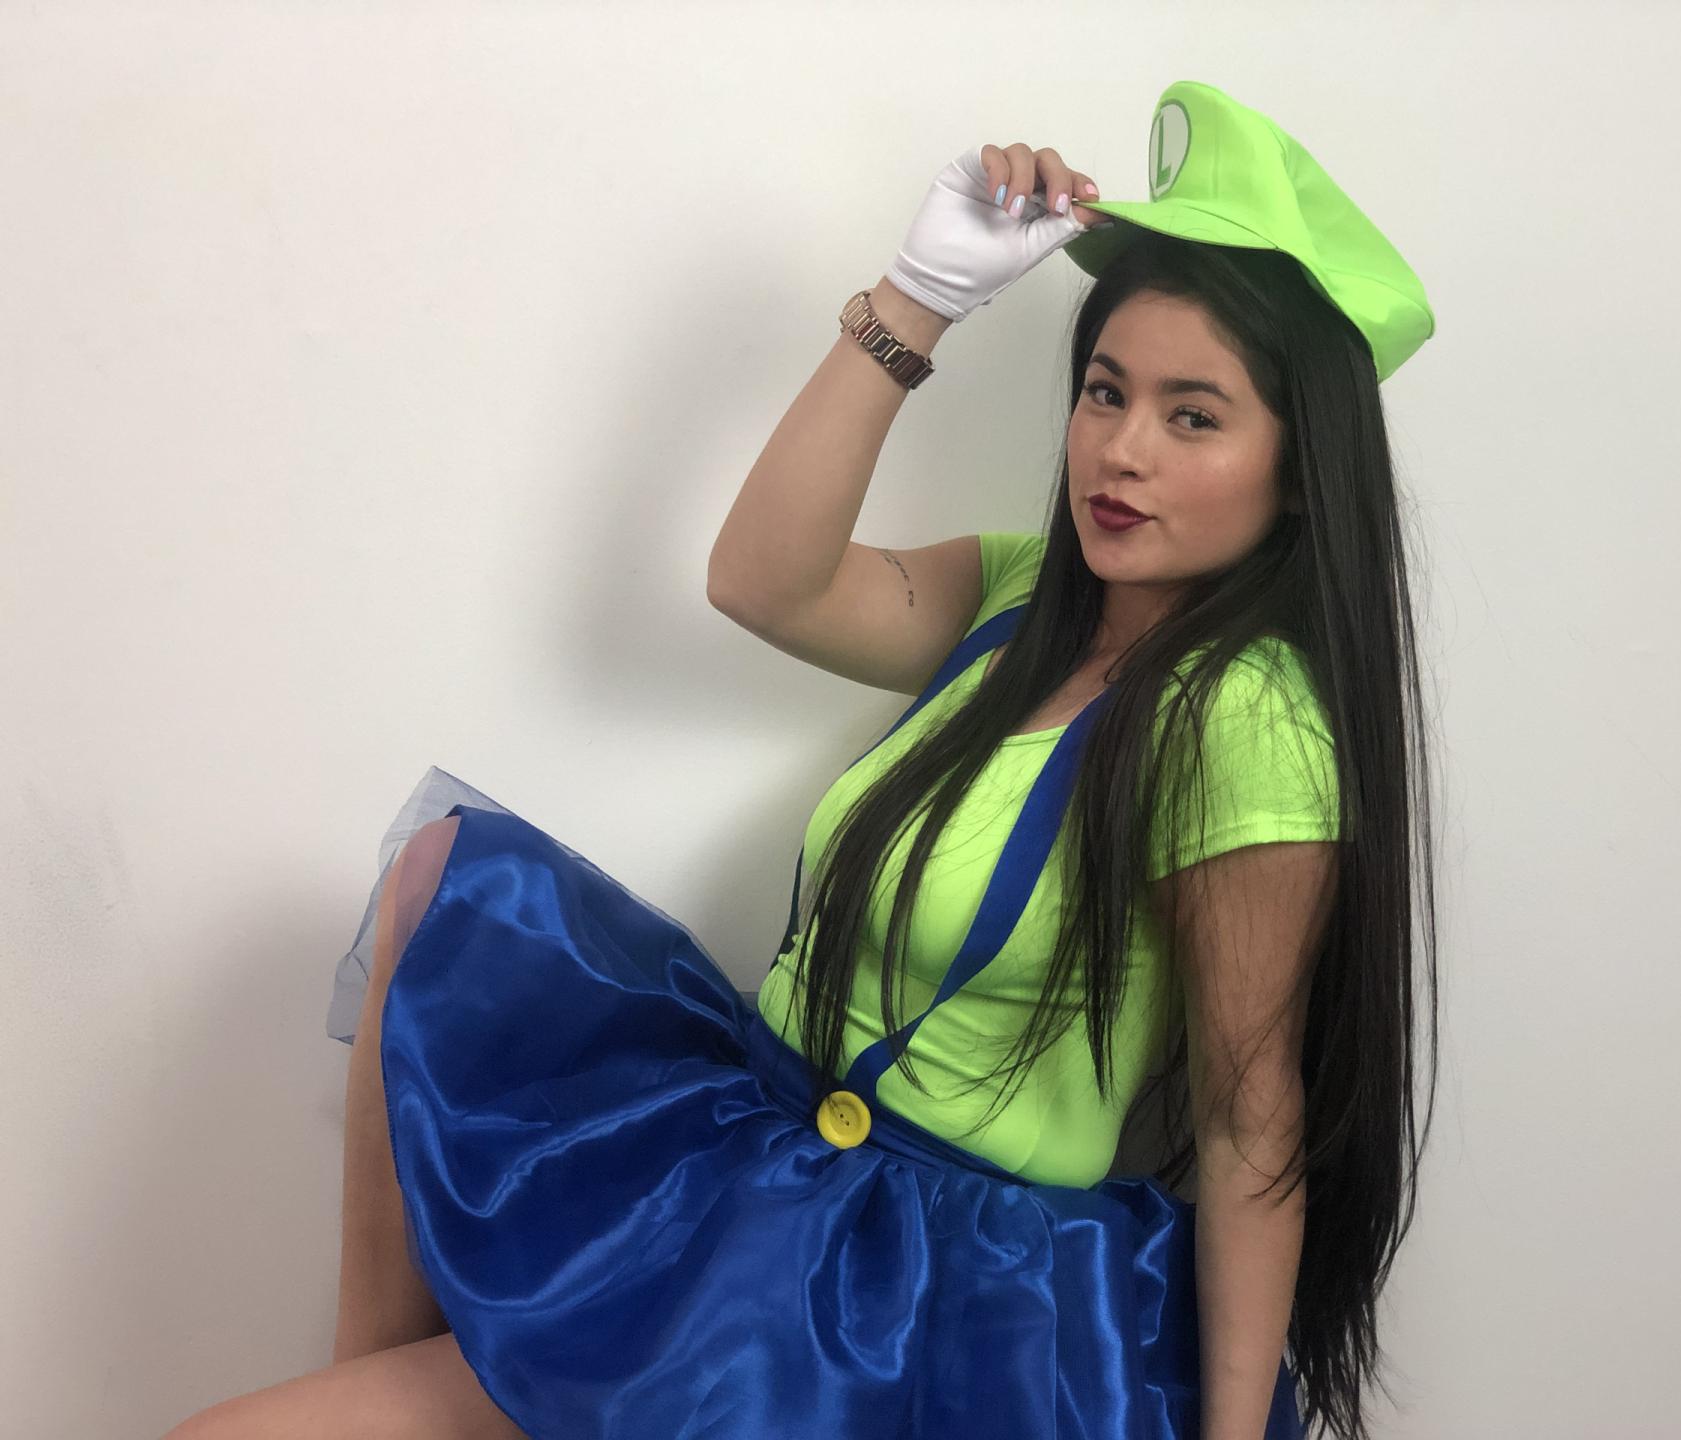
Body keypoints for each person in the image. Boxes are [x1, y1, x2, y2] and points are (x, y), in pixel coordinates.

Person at [164, 79, 1438, 1440]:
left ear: (1297, 472)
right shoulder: (1022, 599)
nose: (1120, 451)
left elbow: (1251, 1126)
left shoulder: (1246, 724)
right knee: (450, 884)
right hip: (756, 1158)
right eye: (1104, 392)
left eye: (1194, 416)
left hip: (911, 1285)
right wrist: (915, 299)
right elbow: (761, 579)